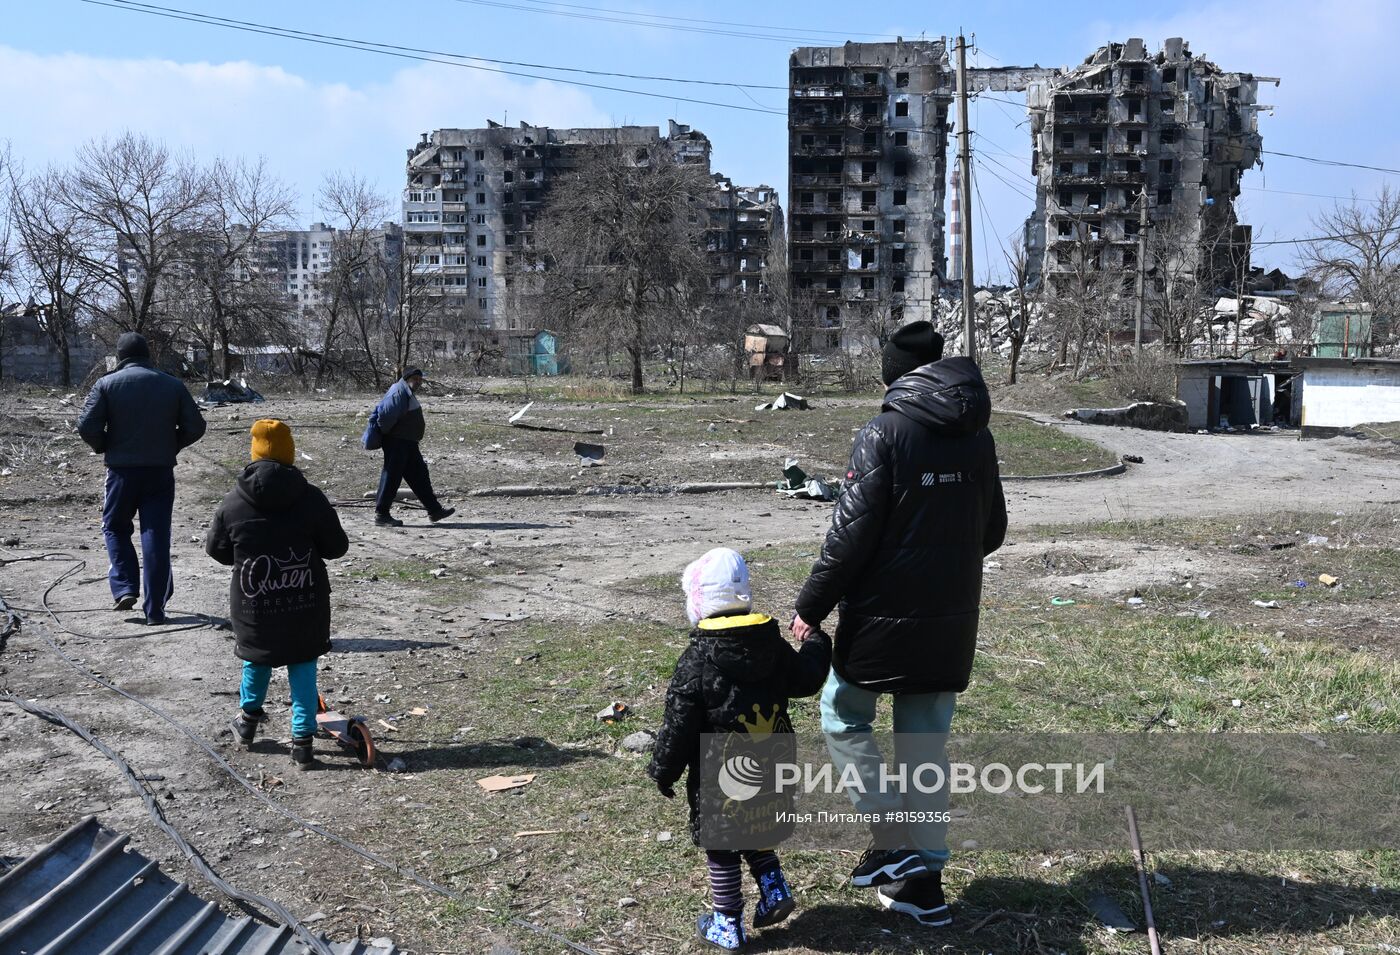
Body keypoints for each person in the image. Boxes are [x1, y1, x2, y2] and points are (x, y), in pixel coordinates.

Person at [791, 321, 1007, 928]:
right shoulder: (979, 433)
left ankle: (892, 842)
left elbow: (848, 539)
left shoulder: (883, 433)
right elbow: (991, 531)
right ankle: (924, 886)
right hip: (951, 615)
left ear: (893, 371)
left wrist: (809, 607)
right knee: (924, 748)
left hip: (881, 619)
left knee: (842, 713)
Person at [648, 547, 831, 950]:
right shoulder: (770, 644)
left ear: (696, 603)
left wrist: (663, 770)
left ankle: (726, 921)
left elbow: (679, 724)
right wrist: (817, 642)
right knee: (759, 823)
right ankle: (774, 889)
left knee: (723, 843)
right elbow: (806, 679)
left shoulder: (697, 658)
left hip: (722, 773)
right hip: (773, 761)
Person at [205, 419, 349, 771]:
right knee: (302, 663)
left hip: (254, 602)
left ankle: (248, 722)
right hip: (305, 599)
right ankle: (302, 741)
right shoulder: (310, 497)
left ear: (253, 453)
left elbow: (217, 550)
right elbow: (336, 547)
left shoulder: (233, 502)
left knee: (256, 658)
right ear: (290, 453)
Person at [76, 332, 206, 624]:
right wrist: (173, 444)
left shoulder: (106, 384)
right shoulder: (172, 384)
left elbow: (86, 426)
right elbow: (196, 426)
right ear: (149, 355)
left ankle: (124, 588)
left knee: (114, 526)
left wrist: (103, 444)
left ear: (120, 358)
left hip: (121, 472)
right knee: (156, 536)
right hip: (160, 472)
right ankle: (156, 610)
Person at [364, 367, 454, 527]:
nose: (418, 382)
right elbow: (385, 417)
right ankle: (382, 514)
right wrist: (390, 435)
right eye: (415, 379)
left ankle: (434, 510)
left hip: (407, 442)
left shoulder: (405, 391)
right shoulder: (399, 392)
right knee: (391, 477)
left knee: (419, 476)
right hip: (398, 442)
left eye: (420, 379)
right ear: (407, 378)